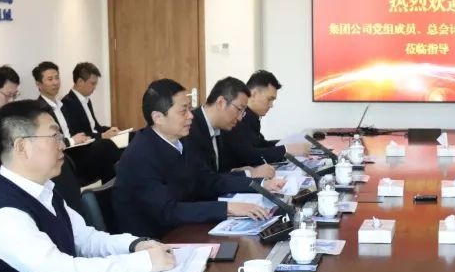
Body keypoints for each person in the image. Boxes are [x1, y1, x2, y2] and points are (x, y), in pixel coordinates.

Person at [0, 100, 176, 272]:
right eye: (54, 136)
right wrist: (142, 262)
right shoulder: (5, 215)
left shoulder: (44, 190)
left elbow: (86, 240)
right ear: (22, 147)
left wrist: (135, 245)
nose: (63, 145)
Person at [113, 79, 274, 239]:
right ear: (158, 117)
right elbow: (168, 211)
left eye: (190, 109)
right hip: (155, 240)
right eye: (183, 111)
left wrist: (258, 184)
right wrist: (227, 208)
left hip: (183, 229)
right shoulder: (140, 156)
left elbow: (208, 181)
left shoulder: (181, 141)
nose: (191, 116)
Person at [32, 61, 122, 184]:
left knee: (109, 150)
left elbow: (76, 132)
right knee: (105, 147)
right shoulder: (39, 110)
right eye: (50, 79)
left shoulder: (62, 106)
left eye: (57, 78)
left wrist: (83, 139)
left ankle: (113, 187)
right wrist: (73, 141)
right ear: (39, 84)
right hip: (64, 155)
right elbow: (49, 141)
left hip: (76, 150)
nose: (55, 82)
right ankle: (117, 187)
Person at [187, 77, 277, 179]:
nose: (239, 118)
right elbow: (206, 181)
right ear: (221, 102)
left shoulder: (221, 128)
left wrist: (238, 171)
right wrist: (249, 174)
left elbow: (218, 172)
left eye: (243, 112)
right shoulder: (190, 129)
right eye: (239, 109)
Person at [225, 70, 310, 163]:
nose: (271, 105)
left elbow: (260, 145)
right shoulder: (237, 117)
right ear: (253, 94)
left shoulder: (252, 117)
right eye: (269, 99)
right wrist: (286, 149)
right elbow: (248, 155)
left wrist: (288, 144)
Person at [61, 62, 121, 140]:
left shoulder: (86, 100)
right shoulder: (67, 103)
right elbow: (78, 134)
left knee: (129, 136)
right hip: (87, 145)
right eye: (93, 84)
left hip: (96, 141)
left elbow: (96, 128)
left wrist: (112, 130)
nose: (95, 88)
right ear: (80, 82)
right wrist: (102, 136)